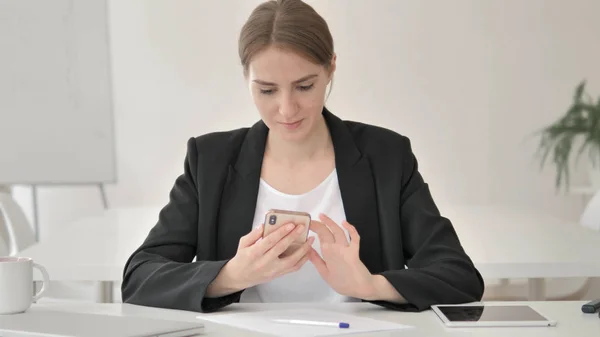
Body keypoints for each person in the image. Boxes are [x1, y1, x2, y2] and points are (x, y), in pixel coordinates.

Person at [121, 0, 484, 313]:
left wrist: (369, 285)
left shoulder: (386, 156)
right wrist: (231, 276)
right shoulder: (209, 160)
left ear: (331, 69)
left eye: (305, 86)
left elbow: (458, 276)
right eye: (266, 90)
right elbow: (140, 277)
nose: (286, 109)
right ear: (246, 78)